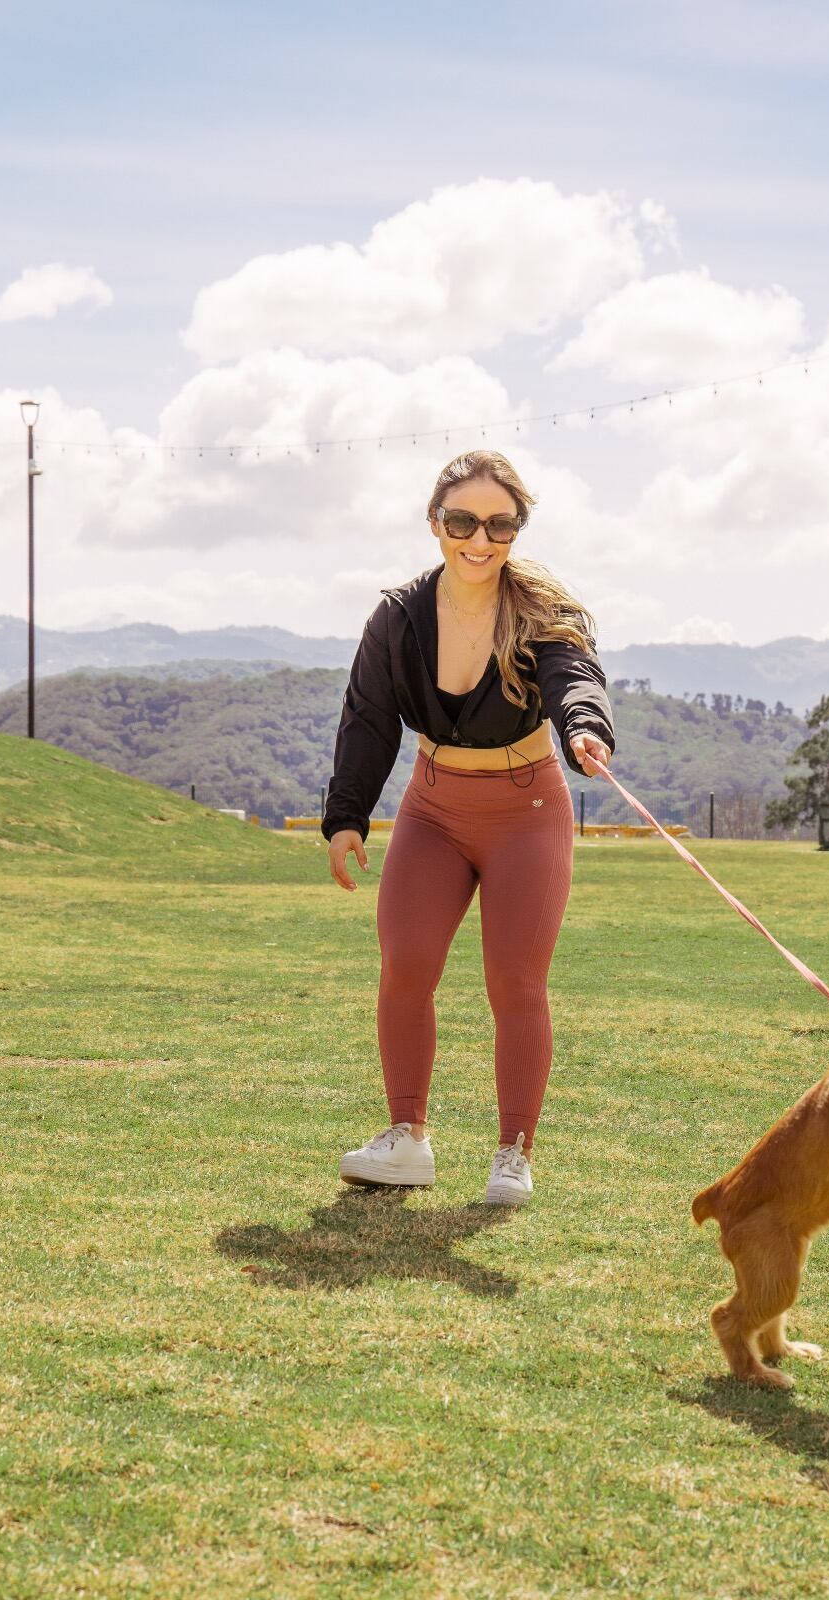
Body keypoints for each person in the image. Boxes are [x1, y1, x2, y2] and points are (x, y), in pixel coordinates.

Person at [321, 451, 615, 1207]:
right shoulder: (398, 617)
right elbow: (368, 718)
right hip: (433, 809)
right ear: (435, 523)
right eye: (462, 521)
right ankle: (406, 1139)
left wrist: (584, 728)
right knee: (407, 963)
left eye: (499, 524)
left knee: (515, 982)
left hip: (529, 811)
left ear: (517, 528)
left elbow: (572, 679)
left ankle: (514, 1151)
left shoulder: (539, 609)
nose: (479, 540)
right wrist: (347, 815)